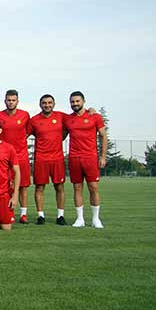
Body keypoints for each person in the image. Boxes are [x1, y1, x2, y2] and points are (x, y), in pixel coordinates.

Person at [64, 91, 107, 229]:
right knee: (77, 188)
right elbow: (60, 135)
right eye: (72, 102)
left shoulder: (94, 116)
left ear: (83, 101)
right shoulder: (67, 119)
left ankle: (95, 219)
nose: (75, 104)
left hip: (90, 158)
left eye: (77, 101)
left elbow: (103, 136)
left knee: (93, 188)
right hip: (74, 158)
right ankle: (80, 219)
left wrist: (103, 156)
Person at [0, 89, 32, 223]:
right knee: (5, 186)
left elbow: (28, 131)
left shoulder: (25, 115)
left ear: (17, 101)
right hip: (4, 157)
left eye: (13, 100)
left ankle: (23, 214)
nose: (11, 102)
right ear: (5, 101)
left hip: (21, 156)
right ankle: (6, 213)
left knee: (23, 186)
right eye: (8, 100)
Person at [29, 94, 67, 225]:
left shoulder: (61, 116)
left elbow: (74, 120)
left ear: (54, 104)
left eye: (50, 103)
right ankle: (40, 216)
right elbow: (25, 134)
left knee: (60, 187)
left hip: (57, 158)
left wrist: (90, 110)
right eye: (44, 103)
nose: (47, 105)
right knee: (39, 187)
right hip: (41, 158)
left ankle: (60, 216)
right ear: (40, 105)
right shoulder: (34, 120)